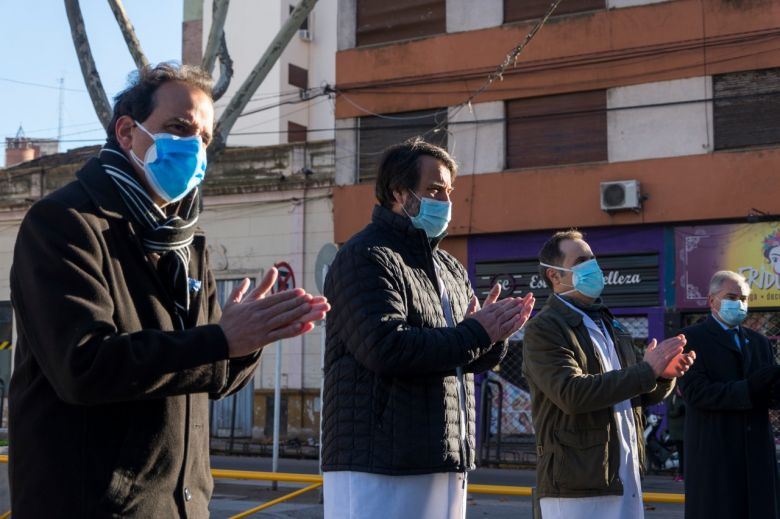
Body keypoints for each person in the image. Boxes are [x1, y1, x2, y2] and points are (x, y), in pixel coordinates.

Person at [8, 63, 329, 518]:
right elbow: (83, 365)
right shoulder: (65, 224)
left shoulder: (186, 243)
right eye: (179, 128)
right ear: (126, 132)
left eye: (205, 138)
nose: (194, 147)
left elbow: (205, 378)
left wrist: (245, 344)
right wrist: (221, 340)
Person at [321, 138, 535, 519]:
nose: (446, 201)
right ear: (398, 193)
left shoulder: (449, 268)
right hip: (380, 462)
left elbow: (458, 355)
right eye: (434, 190)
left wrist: (494, 335)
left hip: (444, 455)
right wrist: (477, 332)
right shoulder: (364, 256)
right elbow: (385, 347)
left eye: (449, 191)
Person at [522, 229, 694, 519]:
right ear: (555, 275)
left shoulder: (609, 324)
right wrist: (646, 370)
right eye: (582, 260)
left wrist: (661, 376)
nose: (594, 265)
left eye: (594, 258)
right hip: (577, 485)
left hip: (623, 476)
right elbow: (571, 394)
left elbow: (633, 392)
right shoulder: (545, 328)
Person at [679, 270, 780, 519]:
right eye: (732, 297)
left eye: (744, 298)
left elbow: (770, 393)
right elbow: (696, 392)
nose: (740, 304)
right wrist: (748, 389)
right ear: (711, 300)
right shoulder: (691, 339)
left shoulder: (759, 342)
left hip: (756, 453)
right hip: (715, 453)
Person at [665, 386, 685, 481]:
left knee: (687, 455)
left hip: (686, 432)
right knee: (681, 454)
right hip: (677, 433)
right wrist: (678, 411)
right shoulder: (673, 398)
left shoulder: (687, 398)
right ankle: (681, 474)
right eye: (678, 389)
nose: (680, 390)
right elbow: (670, 413)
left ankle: (685, 474)